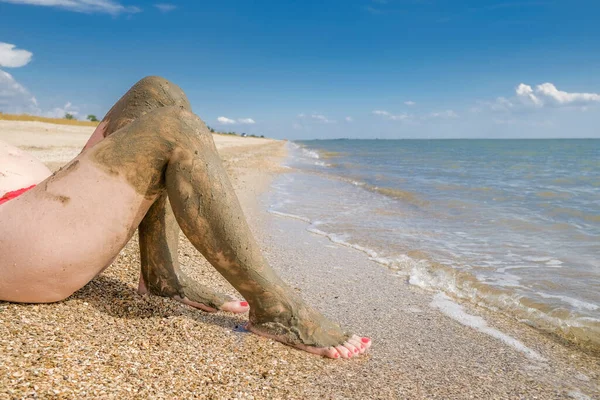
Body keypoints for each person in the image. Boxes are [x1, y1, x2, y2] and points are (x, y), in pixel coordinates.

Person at [0, 76, 371, 359]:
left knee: (158, 91)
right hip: (22, 240)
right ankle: (275, 308)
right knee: (174, 129)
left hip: (40, 199)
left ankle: (163, 274)